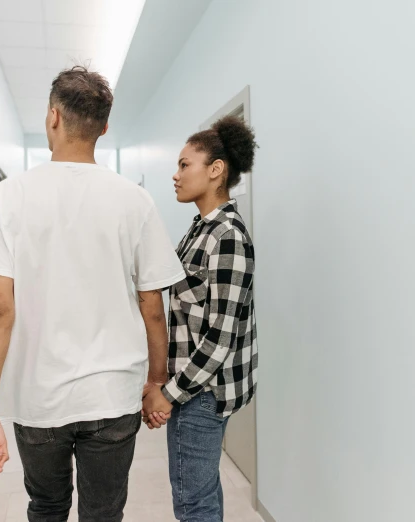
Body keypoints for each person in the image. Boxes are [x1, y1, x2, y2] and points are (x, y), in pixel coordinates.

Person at [0, 66, 185, 522]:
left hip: (38, 397)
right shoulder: (135, 201)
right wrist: (155, 380)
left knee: (46, 507)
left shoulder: (8, 197)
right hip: (112, 395)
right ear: (104, 127)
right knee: (104, 514)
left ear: (53, 117)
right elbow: (152, 307)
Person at [142, 116, 259, 522]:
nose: (175, 175)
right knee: (201, 495)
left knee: (193, 503)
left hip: (202, 395)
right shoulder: (199, 229)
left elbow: (218, 339)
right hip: (188, 386)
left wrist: (167, 395)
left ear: (215, 170)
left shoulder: (227, 237)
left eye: (184, 164)